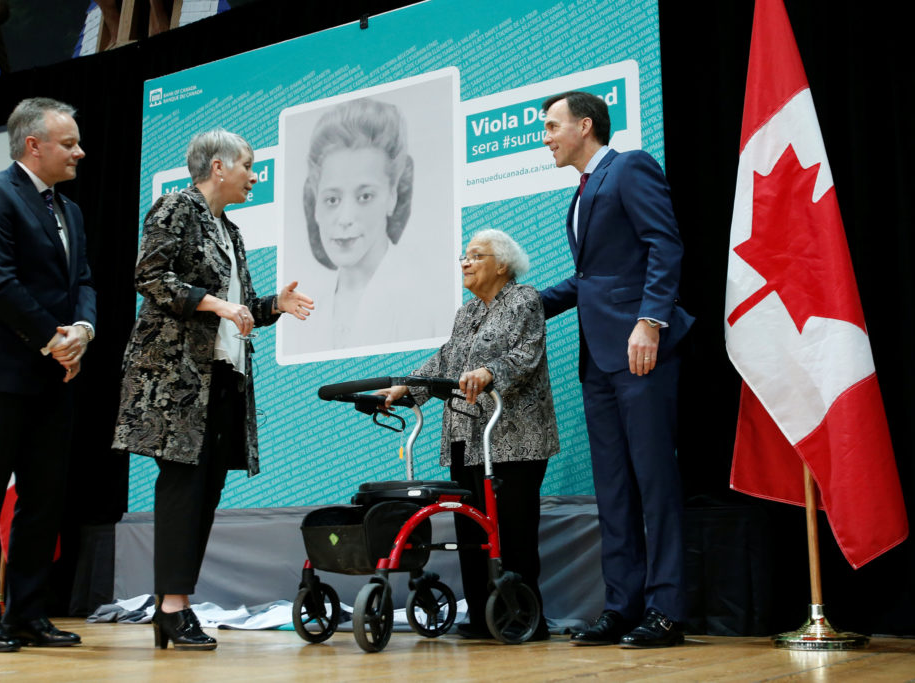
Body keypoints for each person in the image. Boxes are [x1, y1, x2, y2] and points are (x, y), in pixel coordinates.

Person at [112, 129, 313, 650]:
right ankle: (173, 611)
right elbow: (150, 277)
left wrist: (272, 306)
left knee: (205, 494)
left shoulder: (231, 230)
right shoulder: (174, 208)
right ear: (219, 167)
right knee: (184, 490)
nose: (254, 175)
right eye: (248, 165)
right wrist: (218, 304)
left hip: (223, 376)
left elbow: (237, 309)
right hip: (178, 381)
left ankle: (173, 608)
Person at [539, 91, 694, 648]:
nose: (547, 137)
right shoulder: (579, 195)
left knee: (654, 482)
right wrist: (522, 301)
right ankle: (622, 606)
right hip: (599, 359)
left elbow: (664, 244)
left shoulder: (630, 167)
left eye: (553, 126)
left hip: (639, 351)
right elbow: (590, 281)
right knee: (614, 489)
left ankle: (667, 609)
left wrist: (651, 319)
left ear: (586, 126)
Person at [0, 97, 95, 651]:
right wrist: (54, 341)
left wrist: (83, 329)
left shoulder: (70, 211)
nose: (81, 151)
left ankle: (27, 615)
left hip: (54, 374)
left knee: (43, 501)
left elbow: (83, 282)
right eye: (70, 143)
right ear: (35, 145)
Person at [380, 229, 558, 641]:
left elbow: (524, 354)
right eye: (464, 256)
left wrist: (489, 372)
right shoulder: (467, 313)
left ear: (502, 265)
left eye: (476, 256)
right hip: (466, 436)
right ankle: (482, 617)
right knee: (472, 534)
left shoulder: (524, 300)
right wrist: (406, 386)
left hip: (514, 439)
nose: (465, 262)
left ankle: (521, 617)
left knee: (511, 533)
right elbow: (446, 359)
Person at [296, 97, 430, 351]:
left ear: (392, 196)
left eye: (365, 196)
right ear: (315, 204)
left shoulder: (421, 301)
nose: (345, 218)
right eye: (332, 199)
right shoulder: (308, 308)